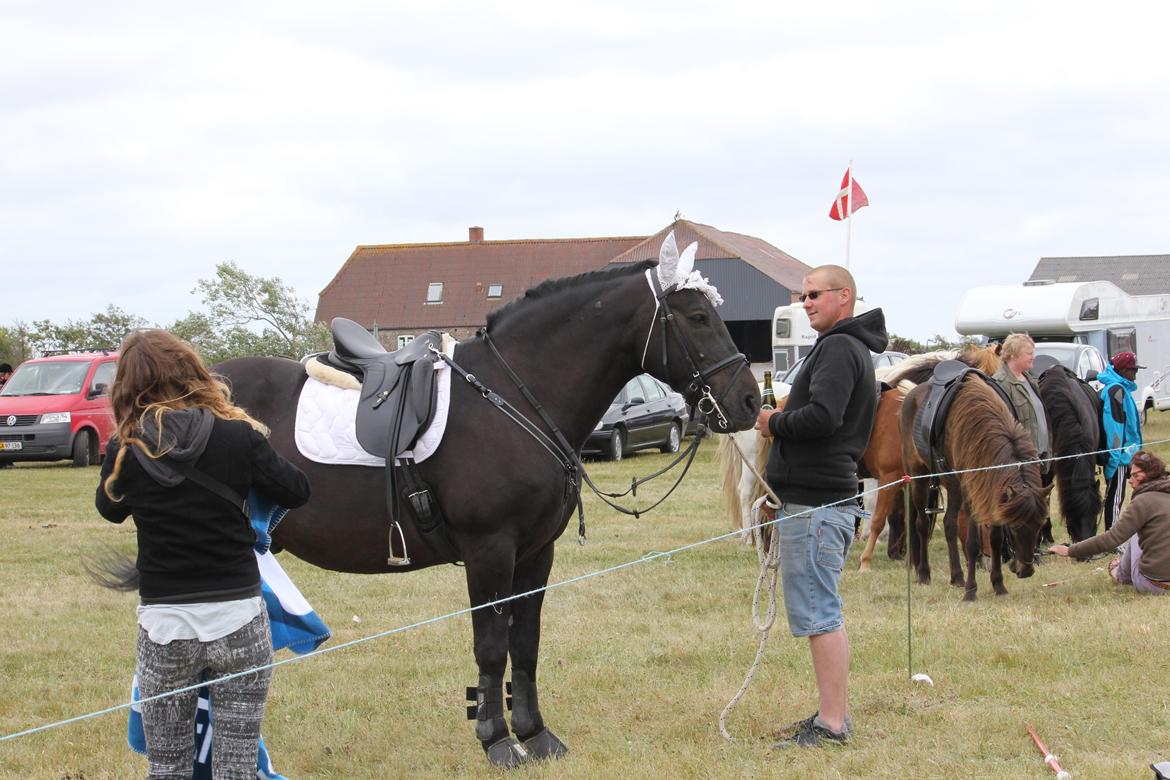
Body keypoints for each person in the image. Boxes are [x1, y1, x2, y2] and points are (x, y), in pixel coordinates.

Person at [95, 329, 310, 778]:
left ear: (128, 386)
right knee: (237, 765)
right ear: (190, 371)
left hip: (165, 627)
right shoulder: (237, 435)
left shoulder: (127, 448)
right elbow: (296, 489)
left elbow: (109, 509)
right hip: (239, 619)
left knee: (167, 766)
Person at [754, 265, 887, 748]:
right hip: (819, 502)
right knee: (821, 610)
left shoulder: (838, 348)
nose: (806, 302)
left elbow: (824, 418)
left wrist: (773, 422)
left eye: (814, 294)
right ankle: (833, 715)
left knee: (820, 614)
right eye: (803, 295)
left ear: (843, 296)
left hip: (818, 504)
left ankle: (831, 724)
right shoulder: (845, 347)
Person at [1050, 450, 1170, 594]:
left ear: (1151, 475)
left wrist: (1070, 550)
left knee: (1134, 534)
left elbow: (1112, 538)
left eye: (1136, 476)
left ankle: (1120, 574)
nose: (1130, 480)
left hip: (1154, 585)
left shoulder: (1142, 501)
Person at [991, 334, 1050, 475]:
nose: (1033, 357)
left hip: (1038, 457)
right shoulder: (1000, 384)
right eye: (1029, 353)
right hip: (1020, 464)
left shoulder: (1030, 379)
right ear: (1013, 355)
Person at [1100, 351, 1143, 531]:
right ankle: (1112, 536)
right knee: (1115, 498)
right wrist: (1115, 457)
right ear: (1124, 370)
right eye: (1134, 370)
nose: (1136, 374)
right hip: (1119, 456)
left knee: (1119, 496)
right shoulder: (1115, 391)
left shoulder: (1121, 389)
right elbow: (1114, 427)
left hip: (1125, 454)